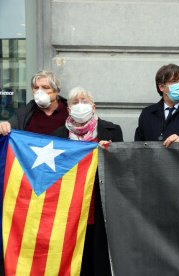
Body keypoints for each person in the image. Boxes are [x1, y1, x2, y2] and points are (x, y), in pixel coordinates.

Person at [53, 87, 123, 276]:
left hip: (101, 208)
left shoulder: (112, 131)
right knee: (76, 262)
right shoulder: (59, 135)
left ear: (93, 106)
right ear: (68, 109)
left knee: (100, 262)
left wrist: (108, 153)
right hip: (72, 210)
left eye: (84, 101)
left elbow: (122, 169)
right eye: (75, 102)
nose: (80, 105)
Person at [0, 70, 68, 136]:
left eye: (45, 87)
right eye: (36, 88)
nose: (40, 91)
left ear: (56, 90)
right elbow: (11, 125)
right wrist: (5, 126)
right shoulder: (25, 112)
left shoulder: (69, 112)